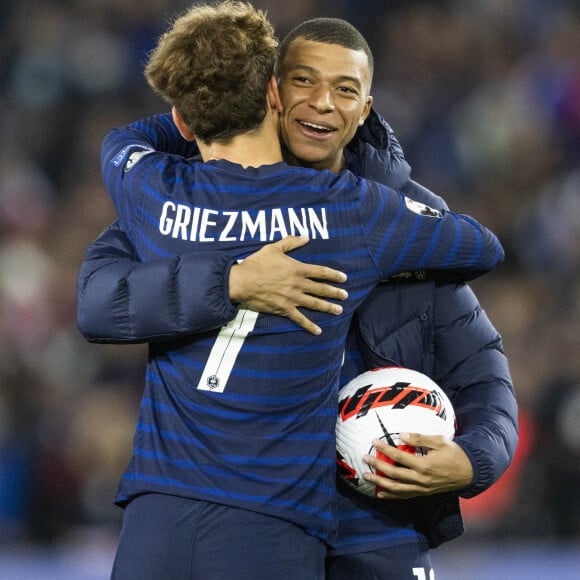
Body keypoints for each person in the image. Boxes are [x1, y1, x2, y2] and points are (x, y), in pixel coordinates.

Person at [78, 11, 515, 580]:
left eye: (346, 89)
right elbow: (97, 301)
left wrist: (472, 460)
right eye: (303, 80)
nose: (323, 103)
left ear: (367, 109)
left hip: (374, 531)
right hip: (271, 523)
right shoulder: (358, 213)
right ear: (271, 91)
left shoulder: (164, 190)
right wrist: (231, 281)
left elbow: (485, 377)